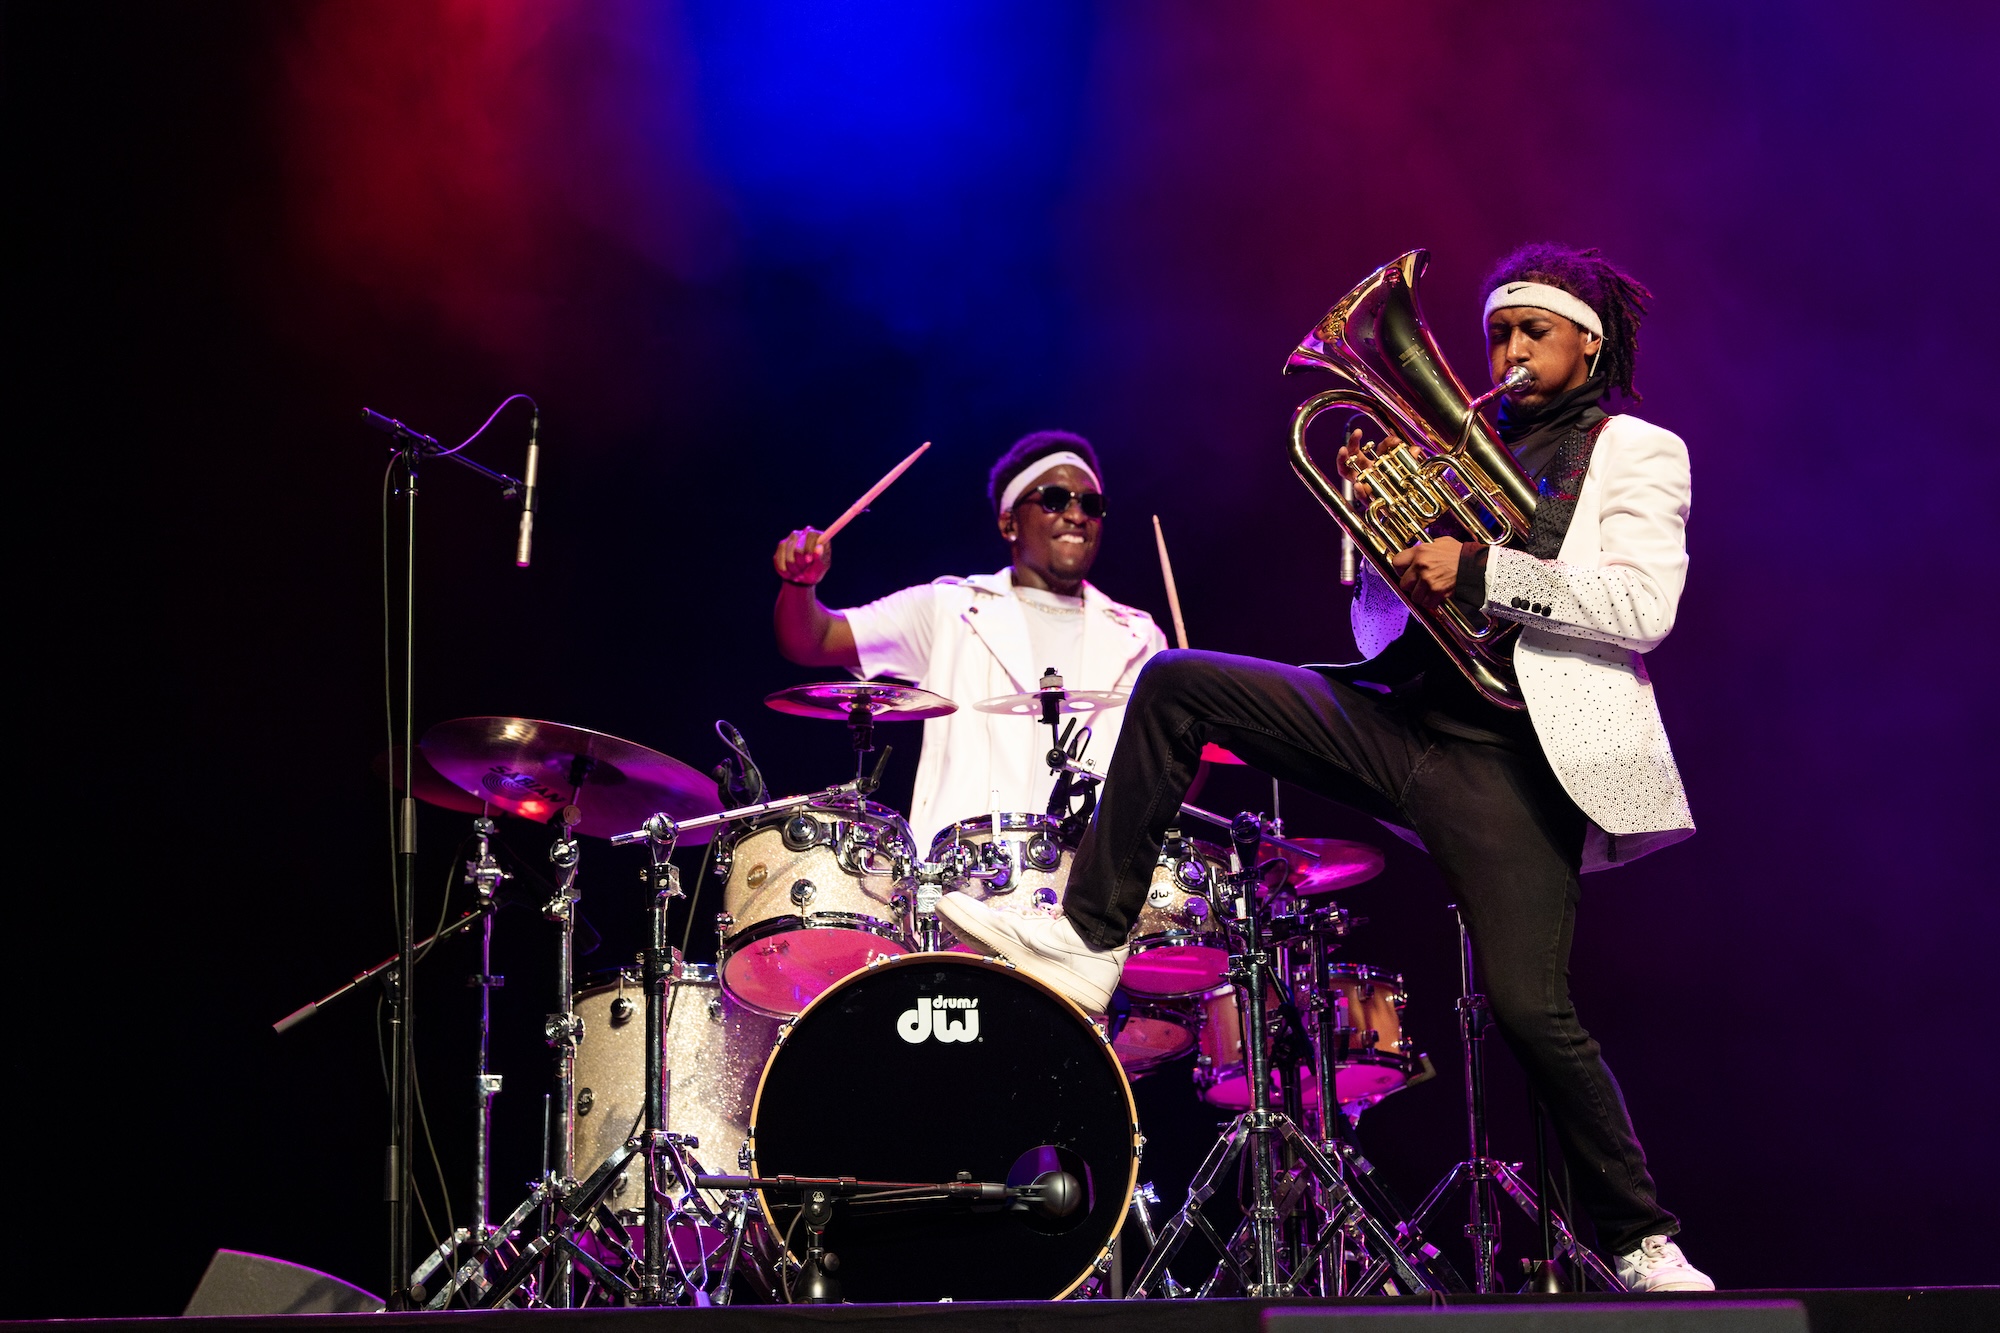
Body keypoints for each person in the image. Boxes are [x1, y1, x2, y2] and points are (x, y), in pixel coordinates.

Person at [936, 246, 1715, 1292]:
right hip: (1401, 725)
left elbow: (1638, 610)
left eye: (1532, 331)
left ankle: (1637, 1234)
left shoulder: (1635, 449)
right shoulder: (1456, 440)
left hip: (1513, 763)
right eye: (1496, 333)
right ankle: (1087, 937)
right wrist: (1373, 535)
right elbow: (1384, 622)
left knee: (1532, 1012)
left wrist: (1477, 563)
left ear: (1588, 338)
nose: (1508, 351)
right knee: (1175, 681)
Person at [772, 430, 1167, 847]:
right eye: (1054, 500)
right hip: (960, 888)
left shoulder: (1141, 636)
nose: (1076, 515)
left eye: (1091, 504)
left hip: (1092, 887)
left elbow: (1166, 774)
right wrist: (800, 585)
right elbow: (811, 641)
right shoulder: (949, 608)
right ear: (1009, 522)